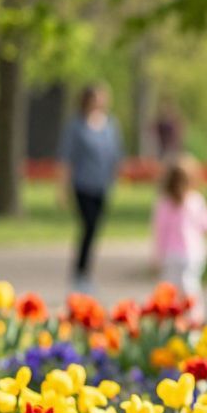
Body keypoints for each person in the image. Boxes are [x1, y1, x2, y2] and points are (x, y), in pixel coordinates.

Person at [58, 84, 123, 295]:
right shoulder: (76, 126)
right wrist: (62, 187)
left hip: (102, 184)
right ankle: (80, 271)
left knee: (95, 229)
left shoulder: (110, 125)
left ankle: (85, 270)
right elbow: (67, 158)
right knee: (88, 225)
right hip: (82, 184)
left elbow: (116, 154)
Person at [151, 155, 207, 323]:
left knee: (170, 291)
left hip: (171, 255)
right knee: (191, 287)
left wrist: (158, 255)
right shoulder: (195, 201)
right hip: (192, 254)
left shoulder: (164, 203)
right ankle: (195, 319)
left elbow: (160, 232)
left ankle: (170, 321)